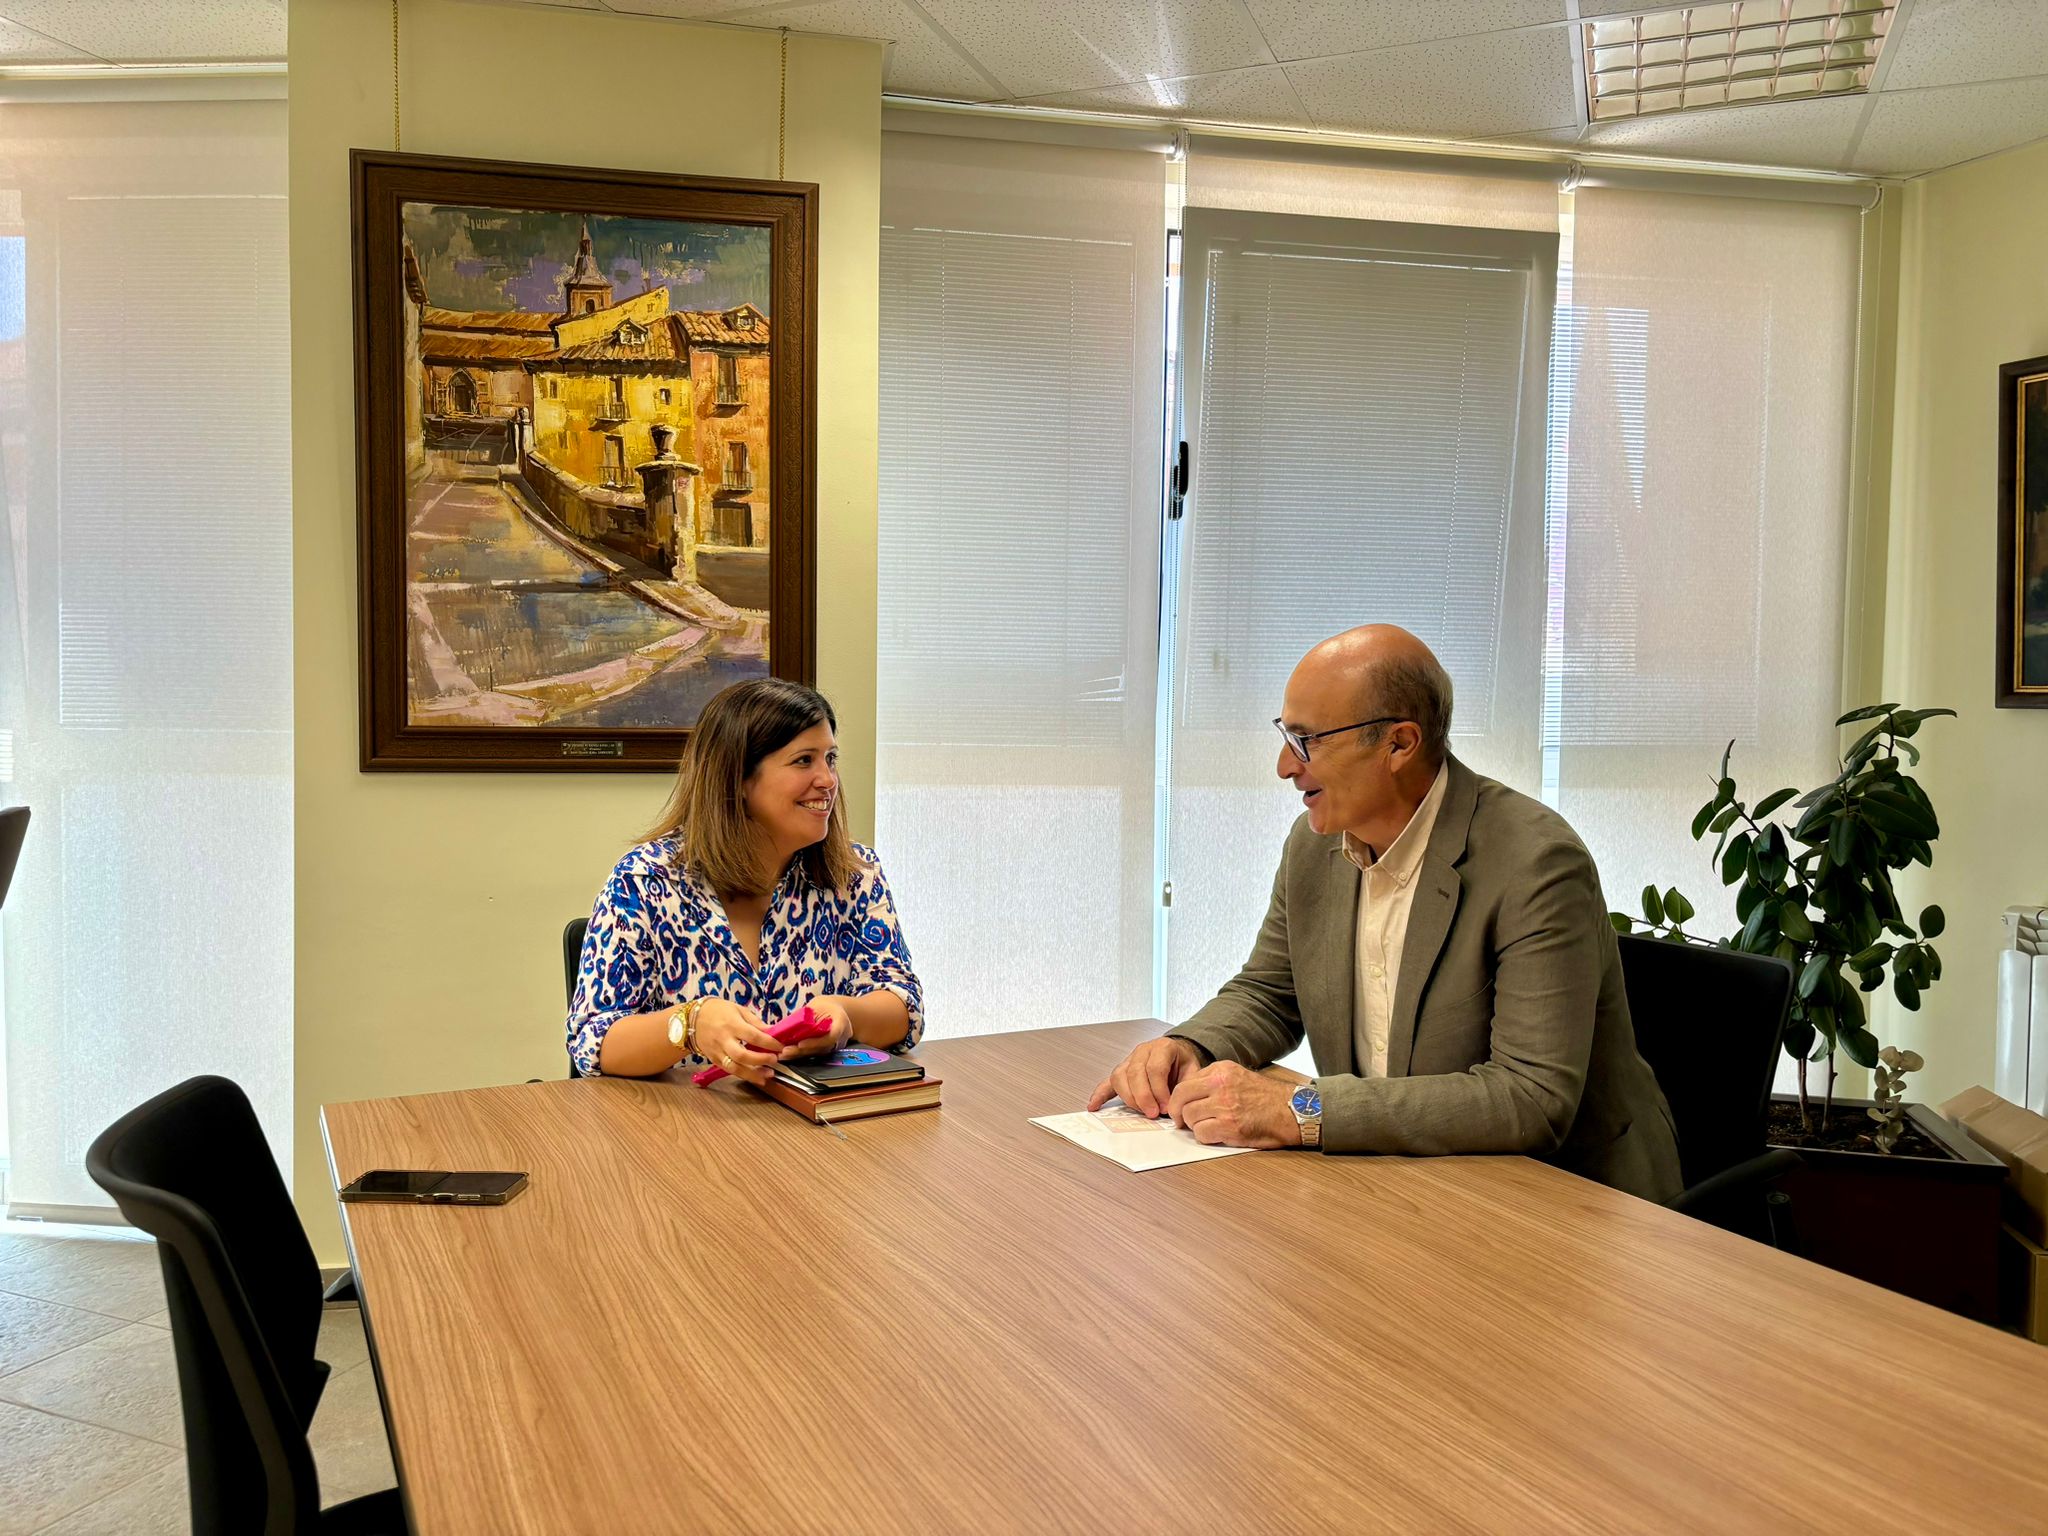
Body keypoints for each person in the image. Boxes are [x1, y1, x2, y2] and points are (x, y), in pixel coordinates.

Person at [1088, 625, 1680, 1202]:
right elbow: (1270, 992)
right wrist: (1192, 1046)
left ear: (1399, 744)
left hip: (1564, 1199)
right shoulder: (1314, 846)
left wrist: (1304, 1110)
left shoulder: (1535, 862)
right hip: (1406, 1181)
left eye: (1307, 741)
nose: (1285, 766)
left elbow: (1531, 1097)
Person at [568, 678, 923, 1082]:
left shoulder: (855, 873)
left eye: (831, 758)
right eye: (804, 760)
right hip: (687, 1127)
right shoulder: (644, 880)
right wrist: (690, 1025)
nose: (827, 779)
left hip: (816, 1123)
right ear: (737, 778)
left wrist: (846, 1015)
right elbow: (593, 1042)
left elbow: (904, 1006)